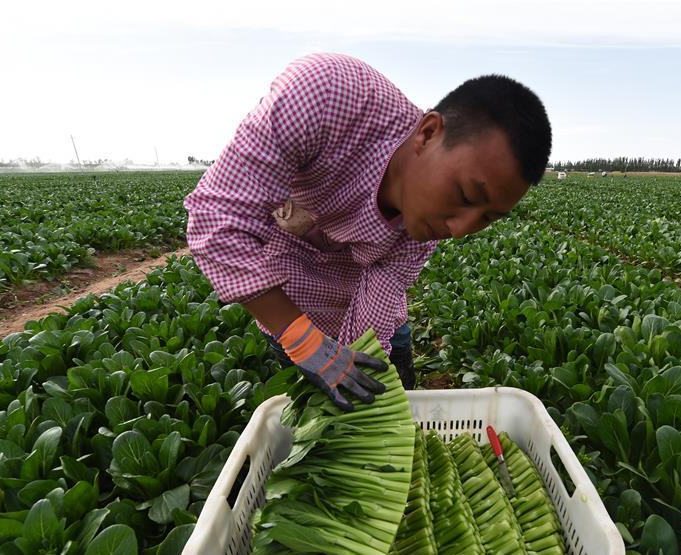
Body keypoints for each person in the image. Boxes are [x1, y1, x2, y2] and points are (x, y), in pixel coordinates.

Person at [184, 53, 551, 411]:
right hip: (289, 296)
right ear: (428, 133)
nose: (459, 229)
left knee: (379, 391)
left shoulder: (426, 224)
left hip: (362, 302)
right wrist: (303, 341)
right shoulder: (326, 93)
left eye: (487, 218)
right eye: (467, 195)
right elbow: (217, 217)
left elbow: (377, 301)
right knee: (318, 415)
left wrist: (356, 364)